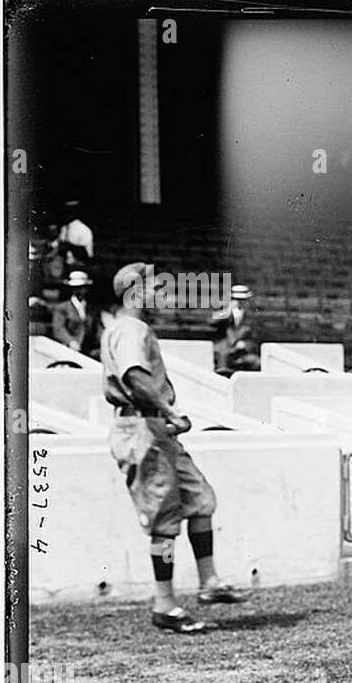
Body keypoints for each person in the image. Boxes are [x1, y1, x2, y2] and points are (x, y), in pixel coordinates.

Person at [96, 263, 248, 633]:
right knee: (164, 520)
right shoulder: (129, 329)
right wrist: (168, 410)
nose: (162, 295)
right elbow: (134, 376)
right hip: (141, 426)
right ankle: (165, 604)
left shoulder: (136, 328)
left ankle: (209, 582)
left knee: (200, 499)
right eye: (154, 288)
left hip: (154, 426)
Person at [209, 284, 260, 374]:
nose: (239, 302)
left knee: (256, 363)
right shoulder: (222, 313)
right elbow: (211, 322)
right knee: (222, 365)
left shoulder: (253, 315)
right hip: (225, 351)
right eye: (235, 299)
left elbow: (257, 336)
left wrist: (245, 344)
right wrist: (227, 311)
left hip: (244, 351)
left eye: (242, 300)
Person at [53, 269, 99, 357]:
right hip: (68, 351)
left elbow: (97, 330)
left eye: (82, 287)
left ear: (87, 289)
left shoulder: (92, 309)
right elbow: (58, 329)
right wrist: (71, 341)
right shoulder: (62, 308)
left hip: (88, 352)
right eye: (75, 288)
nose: (79, 291)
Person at [57, 200, 94, 268]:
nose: (66, 213)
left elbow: (88, 255)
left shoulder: (84, 229)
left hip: (79, 266)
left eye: (70, 210)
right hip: (64, 265)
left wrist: (69, 246)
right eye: (66, 210)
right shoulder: (64, 228)